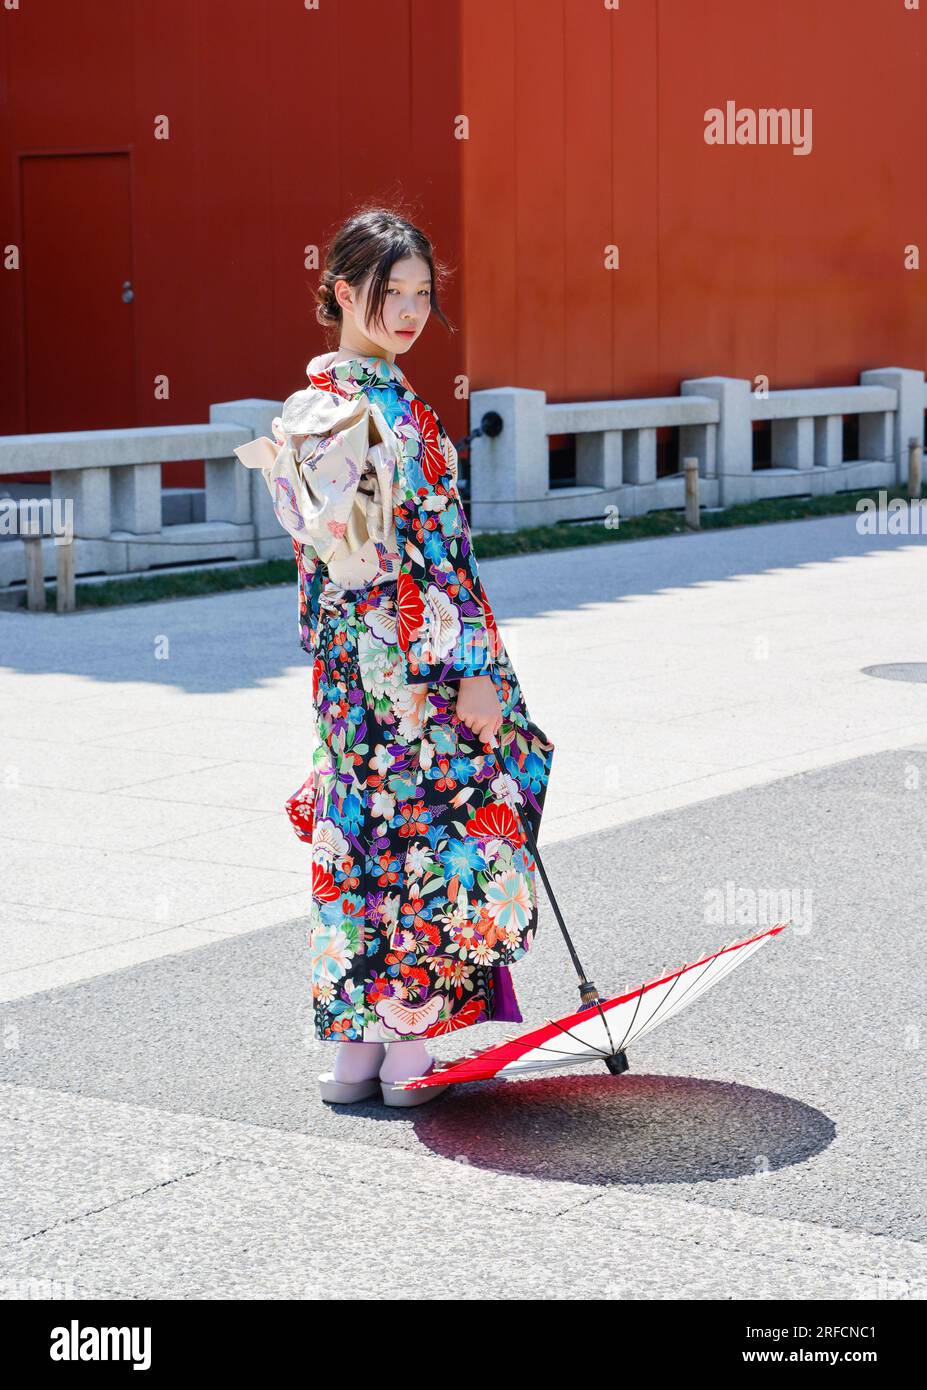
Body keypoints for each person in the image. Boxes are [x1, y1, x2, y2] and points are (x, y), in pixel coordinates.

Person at [236, 207, 555, 1107]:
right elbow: (434, 555)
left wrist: (351, 647)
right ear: (343, 292)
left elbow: (323, 560)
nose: (412, 310)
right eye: (392, 292)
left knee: (358, 834)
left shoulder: (305, 408)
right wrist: (476, 668)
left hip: (347, 667)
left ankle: (356, 1056)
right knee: (429, 833)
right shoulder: (396, 414)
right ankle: (413, 1055)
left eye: (423, 294)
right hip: (420, 664)